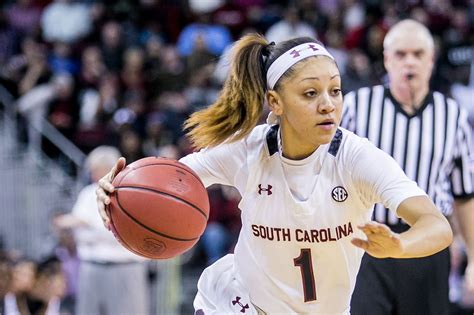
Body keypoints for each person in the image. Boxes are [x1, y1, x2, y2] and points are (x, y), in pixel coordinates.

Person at [96, 34, 453, 314]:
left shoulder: (357, 158)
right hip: (242, 304)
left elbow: (437, 226)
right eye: (311, 93)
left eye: (335, 90)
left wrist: (400, 245)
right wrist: (116, 195)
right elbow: (166, 184)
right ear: (275, 102)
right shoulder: (247, 150)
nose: (328, 103)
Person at [340, 19, 474, 315]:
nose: (409, 62)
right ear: (387, 60)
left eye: (417, 54)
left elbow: (465, 195)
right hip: (365, 241)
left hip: (427, 244)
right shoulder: (355, 106)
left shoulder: (453, 116)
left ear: (431, 61)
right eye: (400, 55)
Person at [54, 145, 150, 315]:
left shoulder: (132, 191)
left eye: (95, 169)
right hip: (91, 266)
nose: (92, 174)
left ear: (109, 168)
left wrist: (86, 224)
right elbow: (79, 234)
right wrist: (85, 226)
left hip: (125, 267)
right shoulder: (87, 193)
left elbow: (122, 235)